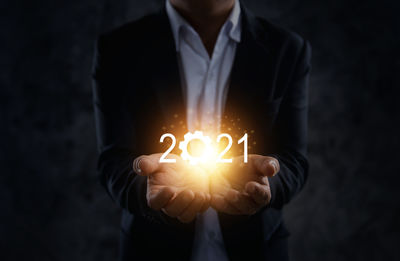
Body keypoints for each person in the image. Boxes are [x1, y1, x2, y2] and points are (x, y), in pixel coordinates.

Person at [92, 0, 311, 260]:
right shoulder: (118, 49)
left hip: (257, 250)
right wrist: (146, 189)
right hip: (153, 251)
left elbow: (294, 159)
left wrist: (267, 184)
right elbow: (113, 160)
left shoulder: (286, 49)